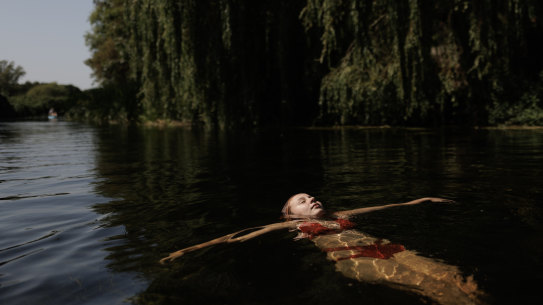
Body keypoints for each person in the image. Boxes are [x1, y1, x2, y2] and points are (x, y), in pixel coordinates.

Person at [160, 194, 483, 305]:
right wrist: (185, 251)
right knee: (432, 287)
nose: (311, 200)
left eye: (312, 197)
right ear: (291, 214)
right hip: (354, 259)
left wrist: (422, 200)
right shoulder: (288, 226)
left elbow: (389, 205)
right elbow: (236, 237)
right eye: (302, 200)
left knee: (452, 275)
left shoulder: (342, 217)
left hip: (390, 249)